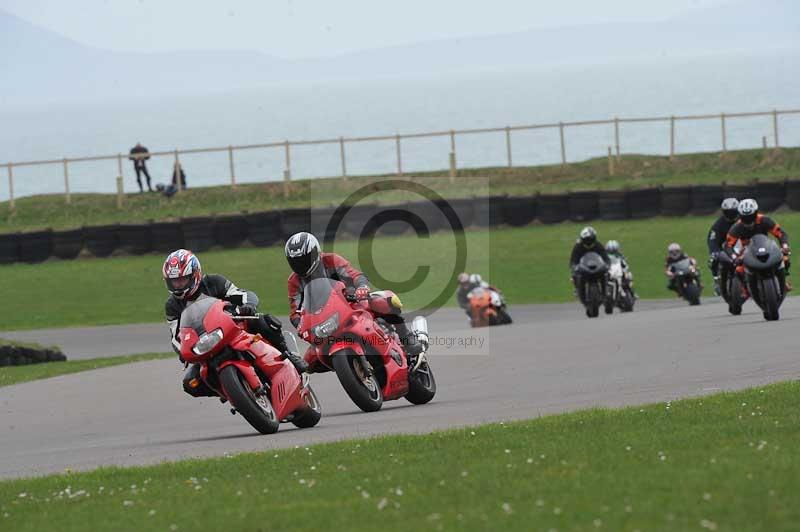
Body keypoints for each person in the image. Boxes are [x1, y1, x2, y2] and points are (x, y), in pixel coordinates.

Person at [163, 249, 307, 398]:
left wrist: (248, 305)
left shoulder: (213, 282)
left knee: (264, 321)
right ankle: (230, 392)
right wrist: (183, 352)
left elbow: (241, 293)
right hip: (204, 345)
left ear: (195, 274)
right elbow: (175, 336)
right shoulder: (172, 305)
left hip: (233, 326)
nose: (178, 286)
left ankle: (289, 355)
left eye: (182, 280)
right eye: (174, 282)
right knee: (190, 383)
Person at [284, 232, 425, 359]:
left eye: (304, 259)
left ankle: (407, 338)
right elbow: (295, 311)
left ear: (315, 253)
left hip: (351, 302)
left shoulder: (331, 260)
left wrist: (362, 287)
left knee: (385, 300)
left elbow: (355, 275)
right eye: (295, 261)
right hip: (323, 320)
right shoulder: (294, 281)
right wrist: (299, 325)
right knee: (308, 362)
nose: (300, 265)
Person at [724, 198, 791, 290]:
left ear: (756, 213)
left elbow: (781, 233)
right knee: (738, 270)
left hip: (767, 248)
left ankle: (783, 282)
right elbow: (728, 245)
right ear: (740, 216)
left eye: (750, 217)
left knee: (785, 259)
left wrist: (785, 246)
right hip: (747, 252)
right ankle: (745, 289)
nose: (748, 220)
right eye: (745, 218)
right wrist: (734, 257)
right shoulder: (737, 227)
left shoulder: (764, 220)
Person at [569, 226, 610, 303]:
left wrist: (607, 265)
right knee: (574, 275)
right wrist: (574, 267)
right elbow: (573, 260)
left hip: (597, 266)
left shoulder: (598, 245)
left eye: (590, 240)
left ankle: (605, 291)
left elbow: (605, 257)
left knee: (607, 274)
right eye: (586, 240)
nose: (588, 242)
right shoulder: (578, 246)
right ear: (582, 239)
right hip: (583, 267)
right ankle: (577, 290)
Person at [707, 198, 739, 295]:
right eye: (727, 212)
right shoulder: (718, 225)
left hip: (743, 246)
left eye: (733, 212)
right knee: (713, 260)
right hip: (726, 249)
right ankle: (717, 281)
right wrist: (715, 251)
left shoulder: (743, 220)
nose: (730, 215)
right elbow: (712, 239)